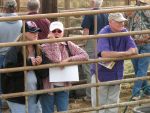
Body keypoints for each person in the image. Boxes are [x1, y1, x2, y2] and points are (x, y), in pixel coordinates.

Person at [91, 13, 138, 113]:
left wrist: (121, 54)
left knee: (113, 103)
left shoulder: (124, 32)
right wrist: (125, 53)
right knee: (100, 104)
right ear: (111, 22)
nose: (122, 24)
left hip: (116, 72)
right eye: (119, 22)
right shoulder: (104, 32)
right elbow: (105, 54)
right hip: (101, 72)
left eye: (123, 21)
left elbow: (134, 49)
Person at [40, 21, 89, 113]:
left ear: (63, 32)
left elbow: (85, 55)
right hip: (47, 85)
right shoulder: (44, 46)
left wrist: (69, 60)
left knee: (63, 110)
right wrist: (54, 42)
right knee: (47, 111)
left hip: (64, 84)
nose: (56, 33)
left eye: (59, 31)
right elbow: (57, 59)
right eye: (54, 31)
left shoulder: (68, 44)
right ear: (50, 32)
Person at [1, 21, 49, 113]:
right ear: (24, 33)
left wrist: (40, 65)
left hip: (34, 93)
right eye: (32, 32)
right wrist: (29, 63)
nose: (36, 34)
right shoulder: (15, 49)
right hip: (17, 95)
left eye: (37, 31)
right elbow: (9, 71)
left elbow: (44, 73)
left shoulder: (39, 49)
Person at [81, 0, 108, 100]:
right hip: (103, 42)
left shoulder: (89, 13)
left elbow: (86, 31)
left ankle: (90, 95)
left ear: (92, 2)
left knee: (89, 68)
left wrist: (83, 42)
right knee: (101, 67)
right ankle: (101, 93)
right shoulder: (105, 13)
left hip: (92, 42)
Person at [0, 0, 22, 112]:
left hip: (1, 55)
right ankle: (11, 107)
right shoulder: (20, 21)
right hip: (14, 55)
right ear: (15, 8)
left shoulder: (0, 21)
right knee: (12, 82)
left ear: (4, 8)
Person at [127, 0, 150, 100]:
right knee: (138, 69)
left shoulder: (147, 8)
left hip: (146, 42)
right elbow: (128, 25)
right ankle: (147, 90)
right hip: (134, 43)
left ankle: (135, 93)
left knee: (141, 69)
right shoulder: (131, 9)